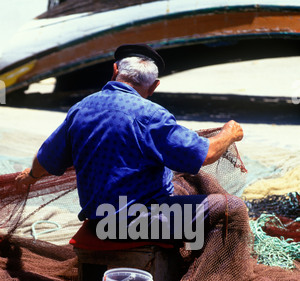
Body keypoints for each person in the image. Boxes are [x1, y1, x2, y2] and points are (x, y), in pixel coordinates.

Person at [15, 43, 243, 249]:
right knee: (231, 208)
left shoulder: (81, 108)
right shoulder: (151, 116)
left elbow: (45, 158)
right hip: (136, 224)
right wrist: (228, 133)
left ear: (115, 71)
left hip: (98, 221)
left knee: (179, 187)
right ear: (153, 87)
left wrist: (32, 176)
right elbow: (207, 154)